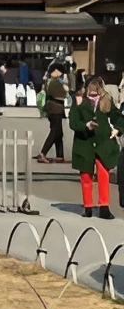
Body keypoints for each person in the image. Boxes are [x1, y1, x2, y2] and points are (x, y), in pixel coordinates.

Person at [69, 75, 124, 219]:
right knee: (86, 175)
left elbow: (117, 116)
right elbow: (73, 122)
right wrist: (85, 125)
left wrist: (117, 129)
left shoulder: (106, 100)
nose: (94, 94)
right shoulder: (79, 101)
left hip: (103, 142)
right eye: (91, 90)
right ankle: (87, 206)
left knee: (103, 173)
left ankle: (104, 207)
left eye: (97, 90)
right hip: (84, 142)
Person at [35, 61, 68, 164]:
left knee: (58, 132)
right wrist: (65, 86)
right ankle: (43, 153)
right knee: (55, 132)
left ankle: (60, 154)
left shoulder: (50, 81)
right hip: (55, 108)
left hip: (54, 108)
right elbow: (64, 93)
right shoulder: (54, 82)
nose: (61, 74)